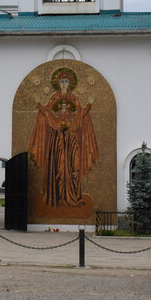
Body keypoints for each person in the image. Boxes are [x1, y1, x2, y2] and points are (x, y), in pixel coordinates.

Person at [29, 67, 98, 208]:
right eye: (62, 81)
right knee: (59, 167)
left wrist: (90, 104)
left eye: (66, 81)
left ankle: (73, 197)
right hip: (57, 139)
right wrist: (38, 104)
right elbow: (46, 113)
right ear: (58, 84)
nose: (64, 84)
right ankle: (58, 197)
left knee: (74, 166)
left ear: (70, 84)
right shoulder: (54, 98)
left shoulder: (74, 98)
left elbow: (81, 114)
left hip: (71, 138)